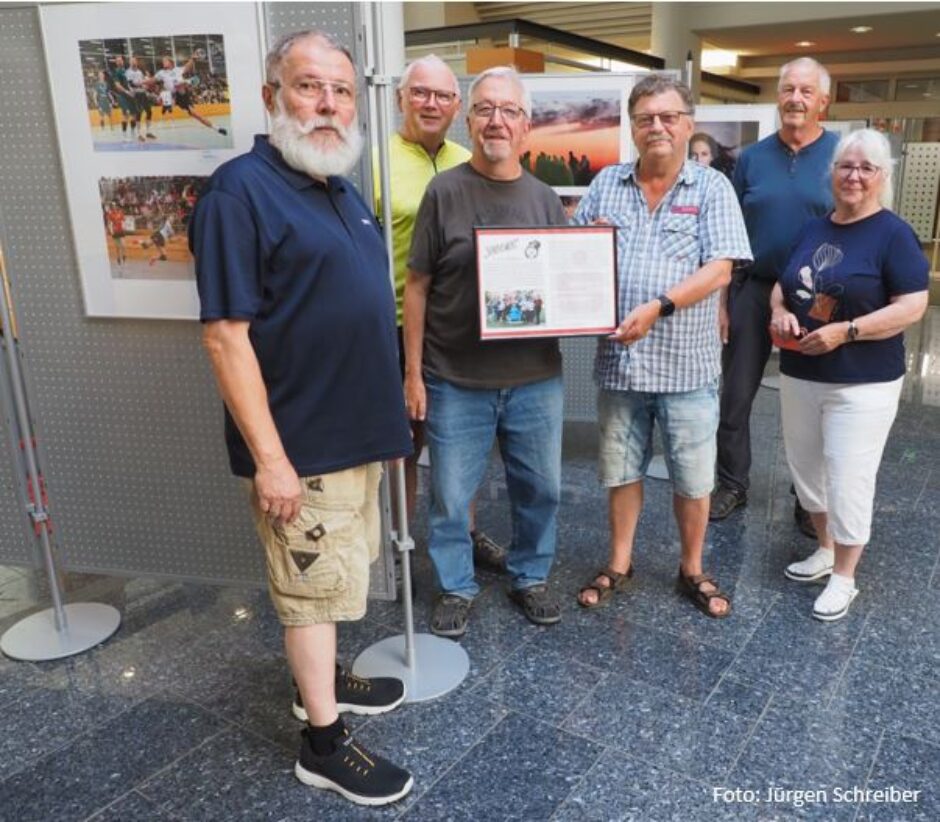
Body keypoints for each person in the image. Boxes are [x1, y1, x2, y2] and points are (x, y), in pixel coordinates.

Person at [189, 30, 413, 806]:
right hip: (300, 448)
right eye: (309, 86)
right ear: (270, 97)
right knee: (309, 592)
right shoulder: (237, 193)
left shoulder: (336, 185)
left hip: (351, 438)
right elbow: (225, 337)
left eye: (341, 91)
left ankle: (320, 681)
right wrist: (272, 462)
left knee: (336, 581)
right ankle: (322, 743)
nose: (328, 104)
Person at [572, 75, 752, 618]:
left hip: (686, 369)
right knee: (621, 472)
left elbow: (721, 269)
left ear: (688, 123)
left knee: (694, 480)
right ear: (632, 126)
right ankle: (620, 562)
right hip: (621, 368)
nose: (658, 127)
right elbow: (575, 255)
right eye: (646, 117)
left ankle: (692, 567)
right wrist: (582, 250)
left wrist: (659, 307)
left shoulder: (711, 189)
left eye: (669, 117)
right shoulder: (605, 184)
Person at [404, 66, 567, 637]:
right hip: (454, 376)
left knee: (542, 487)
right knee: (450, 495)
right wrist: (414, 374)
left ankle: (531, 575)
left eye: (509, 111)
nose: (497, 120)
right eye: (485, 109)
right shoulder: (444, 192)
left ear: (526, 126)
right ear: (469, 120)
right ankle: (455, 585)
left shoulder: (545, 199)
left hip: (535, 378)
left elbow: (560, 288)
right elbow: (417, 285)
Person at [769, 129, 928, 621]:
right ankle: (824, 547)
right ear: (832, 173)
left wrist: (849, 331)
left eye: (866, 168)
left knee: (848, 478)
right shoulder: (813, 228)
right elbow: (782, 285)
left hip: (863, 381)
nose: (853, 176)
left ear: (881, 177)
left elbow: (913, 305)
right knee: (807, 472)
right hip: (800, 372)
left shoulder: (894, 234)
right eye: (845, 166)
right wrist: (778, 313)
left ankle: (845, 576)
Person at [375, 56, 506, 571]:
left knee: (463, 442)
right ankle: (401, 544)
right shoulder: (375, 161)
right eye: (420, 93)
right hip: (394, 323)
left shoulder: (469, 159)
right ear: (399, 99)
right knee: (402, 441)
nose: (431, 104)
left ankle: (466, 534)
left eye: (443, 96)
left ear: (458, 107)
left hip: (459, 325)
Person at [711, 57, 839, 532]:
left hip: (819, 296)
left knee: (810, 400)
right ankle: (732, 484)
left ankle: (807, 499)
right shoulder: (750, 159)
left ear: (822, 101)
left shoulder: (840, 156)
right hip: (753, 286)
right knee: (736, 394)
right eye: (788, 89)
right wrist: (722, 302)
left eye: (807, 91)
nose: (796, 99)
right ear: (778, 96)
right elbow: (728, 234)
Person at [154, 55, 228, 137]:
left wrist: (192, 59)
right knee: (196, 115)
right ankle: (217, 128)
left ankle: (217, 128)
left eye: (165, 60)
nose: (163, 62)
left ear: (170, 62)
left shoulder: (177, 70)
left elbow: (187, 66)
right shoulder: (162, 74)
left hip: (181, 94)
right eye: (163, 61)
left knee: (196, 114)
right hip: (175, 96)